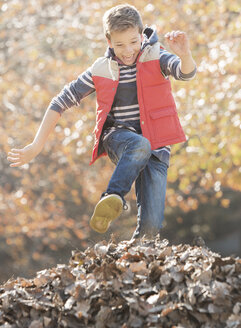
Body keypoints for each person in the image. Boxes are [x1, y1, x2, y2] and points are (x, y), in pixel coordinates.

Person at [7, 4, 196, 239]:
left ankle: (138, 263)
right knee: (139, 145)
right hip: (119, 138)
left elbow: (185, 73)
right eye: (119, 44)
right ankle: (111, 197)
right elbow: (60, 101)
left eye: (133, 42)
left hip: (158, 147)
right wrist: (36, 145)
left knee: (151, 227)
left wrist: (185, 54)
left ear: (141, 34)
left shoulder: (157, 56)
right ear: (108, 41)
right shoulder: (101, 69)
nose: (127, 51)